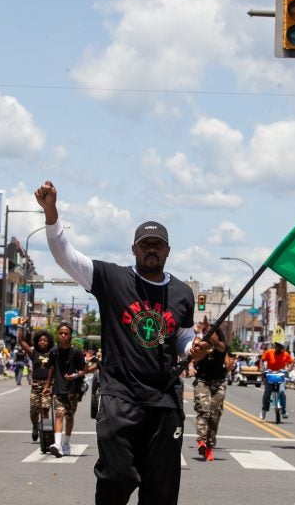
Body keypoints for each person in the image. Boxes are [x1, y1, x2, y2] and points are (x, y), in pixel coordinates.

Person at [35, 180, 205, 505]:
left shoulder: (183, 292)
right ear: (134, 249)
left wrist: (193, 348)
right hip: (120, 398)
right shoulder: (112, 279)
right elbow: (65, 256)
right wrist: (52, 213)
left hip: (165, 401)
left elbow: (183, 338)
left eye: (157, 244)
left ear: (168, 250)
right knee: (117, 477)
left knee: (161, 493)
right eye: (145, 244)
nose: (151, 249)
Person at [43, 322, 85, 457]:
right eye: (61, 333)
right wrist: (47, 386)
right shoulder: (54, 351)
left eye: (66, 333)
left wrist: (75, 375)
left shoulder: (76, 351)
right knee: (59, 413)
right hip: (58, 388)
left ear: (70, 335)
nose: (63, 335)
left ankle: (66, 444)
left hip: (73, 390)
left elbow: (83, 370)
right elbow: (52, 368)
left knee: (69, 416)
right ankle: (57, 444)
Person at [192, 317, 227, 462]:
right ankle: (201, 441)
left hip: (218, 383)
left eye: (210, 332)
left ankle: (209, 448)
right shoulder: (201, 345)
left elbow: (216, 342)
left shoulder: (221, 346)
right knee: (203, 410)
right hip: (203, 381)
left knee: (214, 415)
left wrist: (207, 328)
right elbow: (194, 357)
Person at [19, 326, 54, 442]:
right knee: (34, 410)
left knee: (45, 409)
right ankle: (35, 426)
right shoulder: (33, 353)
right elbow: (21, 342)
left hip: (48, 385)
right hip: (35, 385)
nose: (42, 342)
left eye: (45, 340)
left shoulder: (53, 353)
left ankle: (46, 433)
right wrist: (21, 327)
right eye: (40, 340)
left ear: (49, 342)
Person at [258, 342, 294, 420]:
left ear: (282, 348)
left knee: (282, 392)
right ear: (275, 347)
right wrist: (261, 368)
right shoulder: (269, 352)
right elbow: (262, 359)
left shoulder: (285, 354)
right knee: (267, 394)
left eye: (280, 347)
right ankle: (264, 409)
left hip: (280, 375)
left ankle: (283, 411)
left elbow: (292, 361)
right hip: (270, 374)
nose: (278, 348)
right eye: (277, 346)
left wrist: (290, 368)